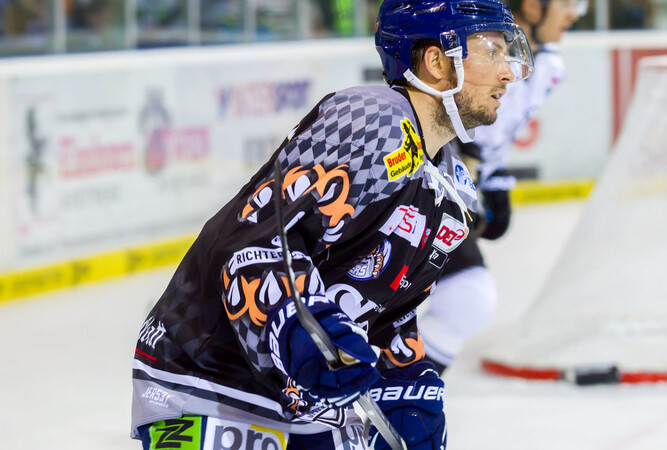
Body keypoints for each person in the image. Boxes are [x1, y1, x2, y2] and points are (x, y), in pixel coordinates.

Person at [130, 1, 533, 449]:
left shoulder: (452, 190)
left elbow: (386, 314)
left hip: (307, 406)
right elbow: (254, 245)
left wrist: (405, 385)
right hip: (211, 384)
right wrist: (297, 329)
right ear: (437, 61)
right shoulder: (375, 119)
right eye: (491, 52)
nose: (508, 72)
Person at [418, 0, 584, 373]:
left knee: (461, 297)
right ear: (531, 6)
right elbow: (439, 119)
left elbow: (496, 133)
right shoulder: (473, 53)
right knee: (466, 297)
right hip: (428, 182)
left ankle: (393, 390)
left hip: (458, 182)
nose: (576, 13)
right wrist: (463, 173)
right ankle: (396, 396)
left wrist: (493, 179)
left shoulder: (550, 67)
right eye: (569, 2)